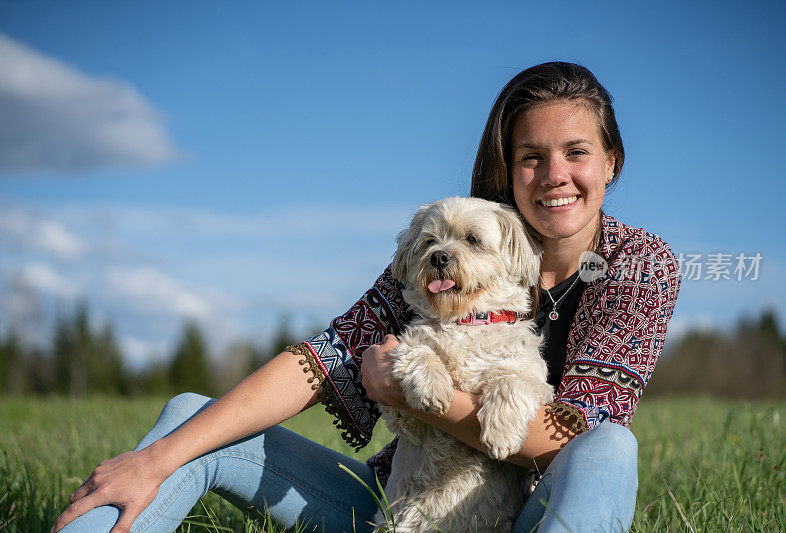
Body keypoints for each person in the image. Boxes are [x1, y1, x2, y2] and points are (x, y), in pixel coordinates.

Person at [53, 62, 682, 533]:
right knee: (189, 422)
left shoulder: (639, 265)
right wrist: (159, 458)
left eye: (576, 153)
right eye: (531, 156)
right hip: (398, 504)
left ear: (611, 163)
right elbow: (321, 360)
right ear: (505, 166)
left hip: (524, 514)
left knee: (611, 447)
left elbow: (572, 436)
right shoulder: (437, 258)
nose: (553, 176)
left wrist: (413, 395)